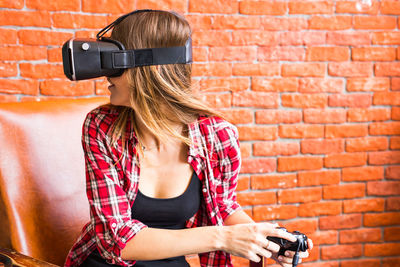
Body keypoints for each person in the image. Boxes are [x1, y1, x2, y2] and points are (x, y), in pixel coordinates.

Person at [64, 9, 313, 267]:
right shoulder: (102, 127)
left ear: (146, 70)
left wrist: (265, 241)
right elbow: (116, 240)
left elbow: (222, 205)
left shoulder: (217, 136)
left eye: (113, 63)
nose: (106, 75)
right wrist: (222, 237)